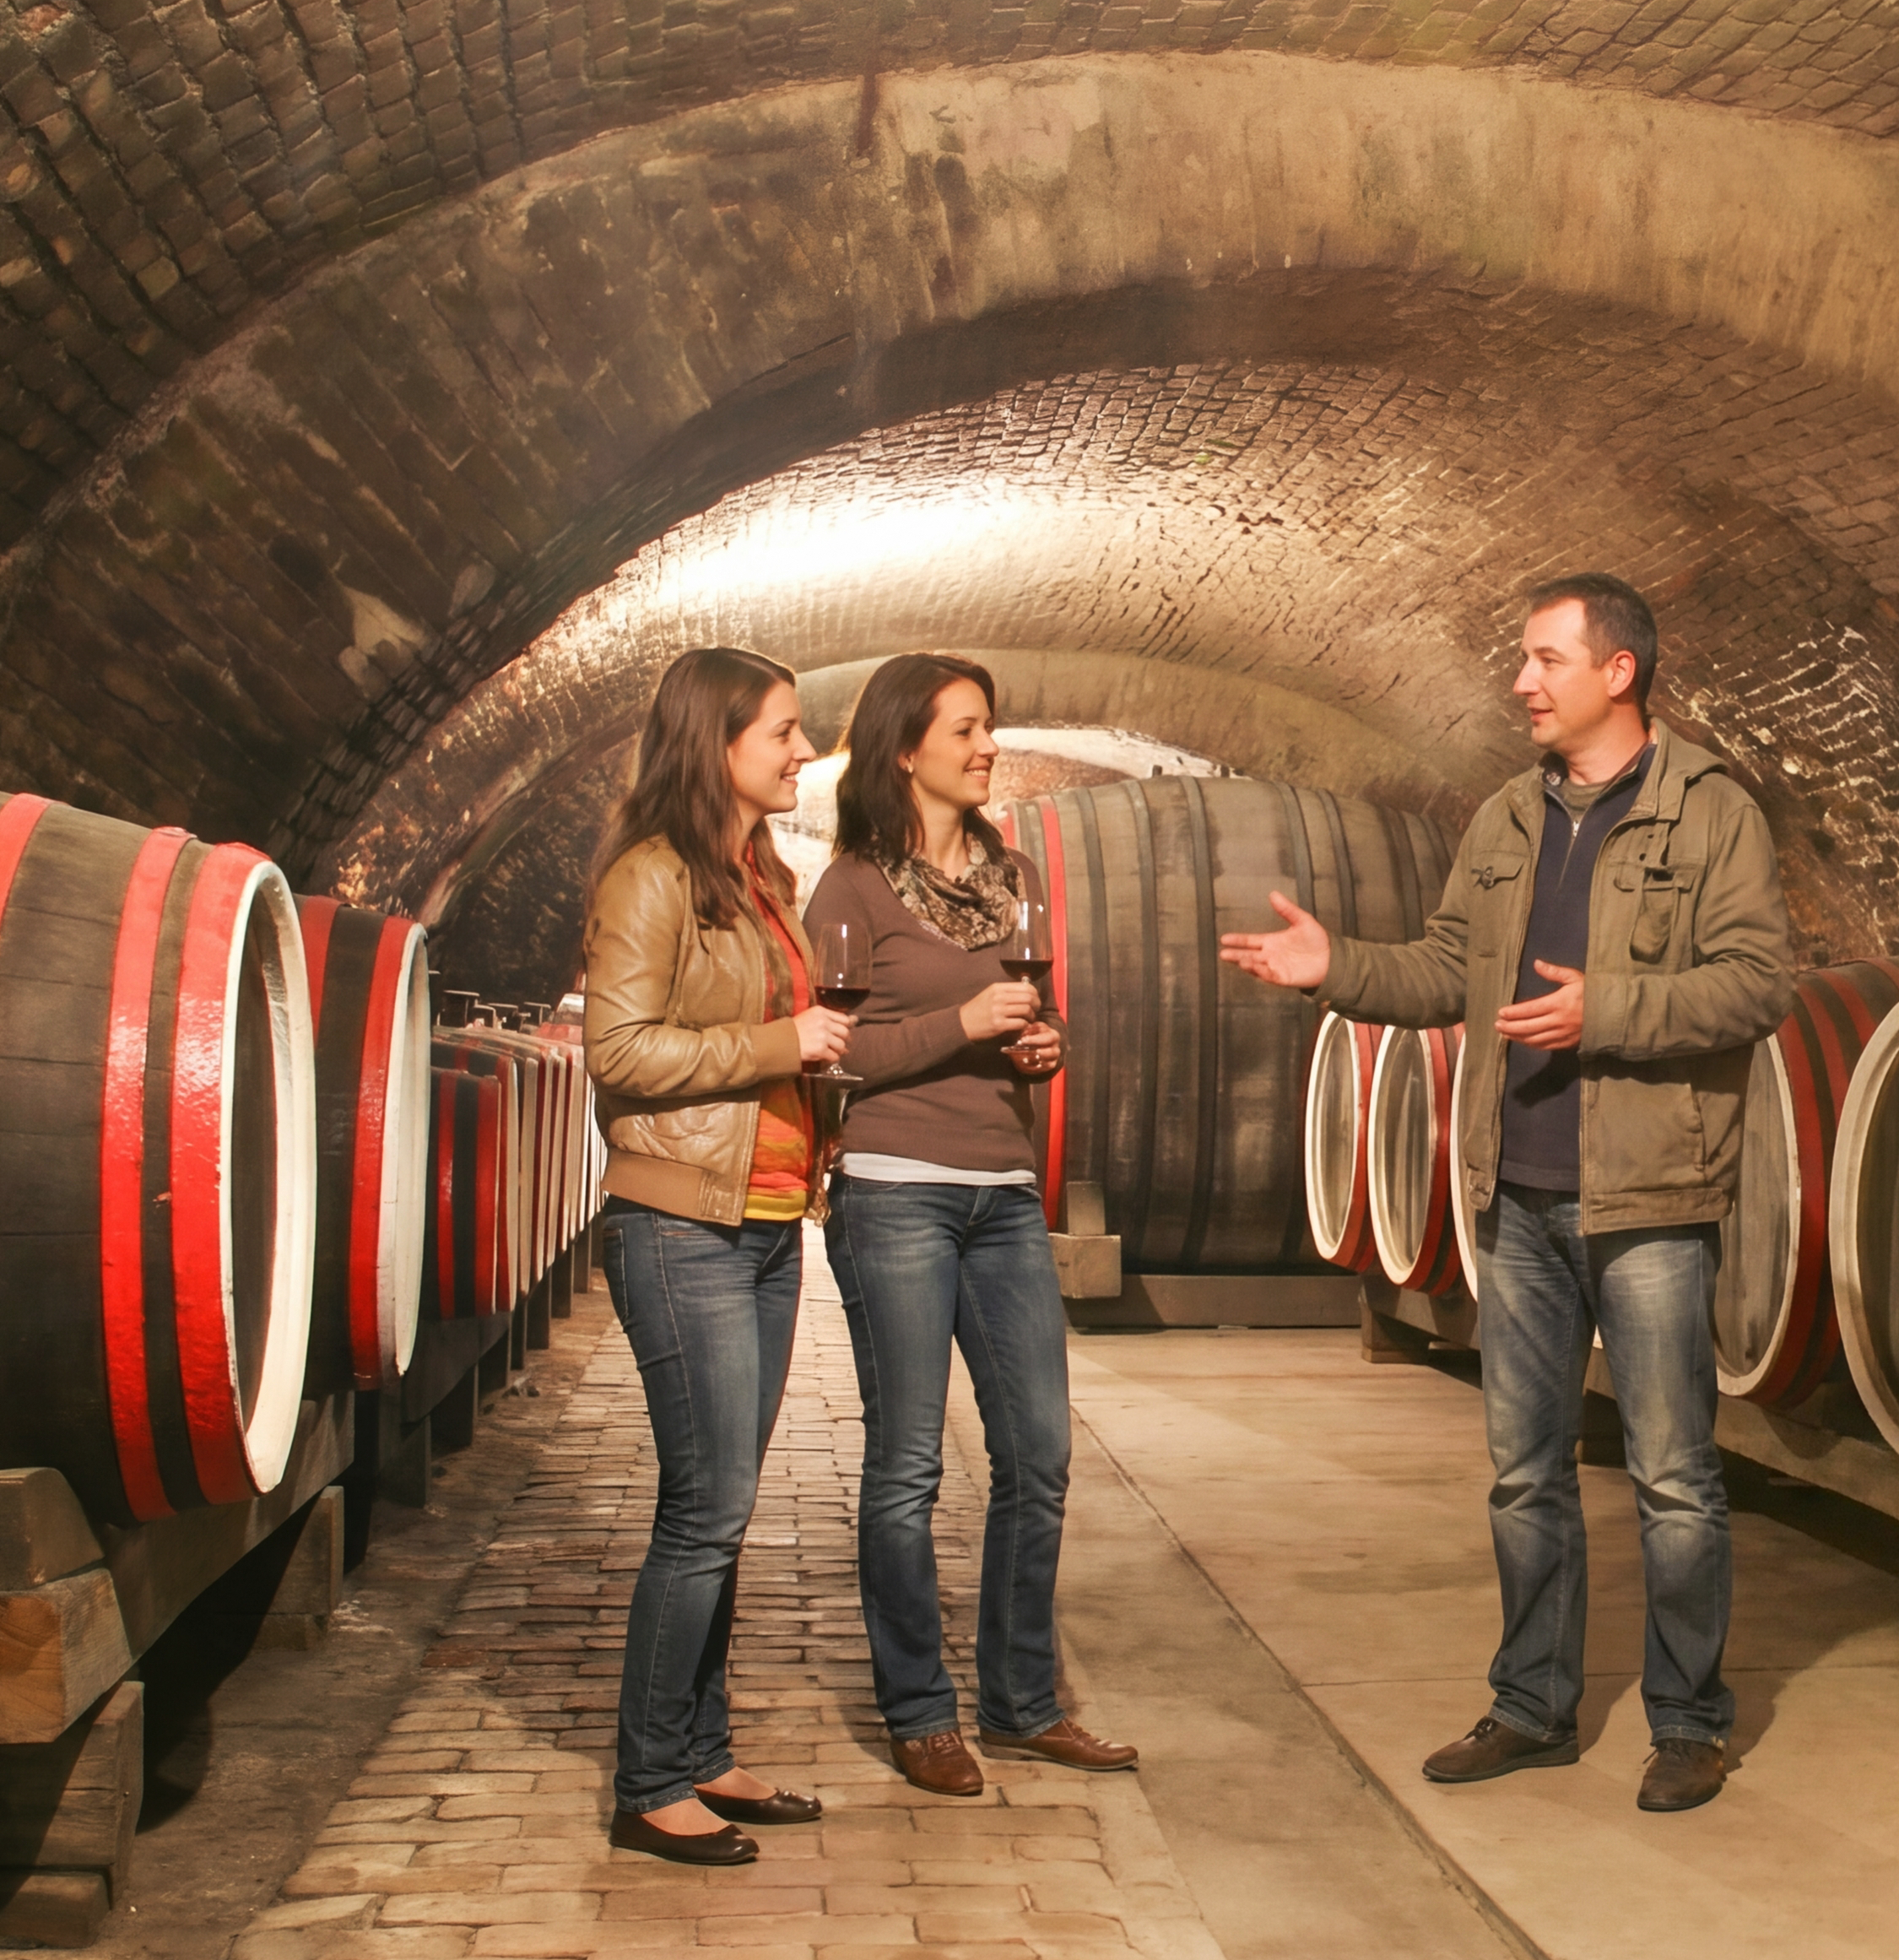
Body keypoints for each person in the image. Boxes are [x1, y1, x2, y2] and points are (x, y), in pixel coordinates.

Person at [1220, 574, 1791, 1813]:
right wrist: (1337, 968)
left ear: (1618, 670)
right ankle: (1533, 1703)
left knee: (1674, 1477)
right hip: (1515, 1197)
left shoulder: (1709, 813)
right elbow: (1443, 971)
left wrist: (1613, 1009)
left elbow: (1757, 984)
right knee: (1524, 1472)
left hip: (1645, 1197)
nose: (1522, 682)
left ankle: (1687, 1720)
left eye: (1544, 659)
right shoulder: (1505, 818)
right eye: (1523, 662)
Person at [806, 652, 1140, 1796]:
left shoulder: (1012, 881)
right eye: (965, 727)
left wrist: (1037, 1049)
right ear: (907, 747)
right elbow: (838, 1062)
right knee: (906, 1467)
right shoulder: (848, 889)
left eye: (988, 726)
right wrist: (962, 1017)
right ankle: (919, 1710)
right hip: (894, 1188)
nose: (986, 744)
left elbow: (1018, 1027)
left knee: (1039, 1452)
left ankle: (1023, 1701)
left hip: (1002, 1193)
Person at [582, 647, 856, 1865]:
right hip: (679, 1217)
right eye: (785, 732)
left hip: (761, 1221)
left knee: (726, 1512)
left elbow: (775, 1039)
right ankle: (650, 1781)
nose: (803, 751)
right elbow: (621, 1052)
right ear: (720, 742)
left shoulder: (762, 878)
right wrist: (777, 1040)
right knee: (705, 1510)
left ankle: (702, 1750)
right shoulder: (651, 878)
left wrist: (818, 1062)